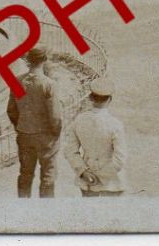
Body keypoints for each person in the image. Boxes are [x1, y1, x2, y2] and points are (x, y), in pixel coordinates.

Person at [7, 47, 64, 197]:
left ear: (28, 61)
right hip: (45, 137)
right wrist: (55, 134)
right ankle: (45, 212)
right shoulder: (49, 84)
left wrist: (20, 127)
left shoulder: (18, 82)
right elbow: (55, 116)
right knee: (48, 175)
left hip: (24, 134)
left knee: (25, 174)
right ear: (44, 61)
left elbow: (11, 111)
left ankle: (24, 209)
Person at [65, 77, 127, 197]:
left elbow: (70, 151)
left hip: (88, 181)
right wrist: (102, 175)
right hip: (111, 183)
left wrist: (83, 172)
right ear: (110, 99)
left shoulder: (79, 120)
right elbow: (120, 159)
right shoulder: (115, 124)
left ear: (90, 98)